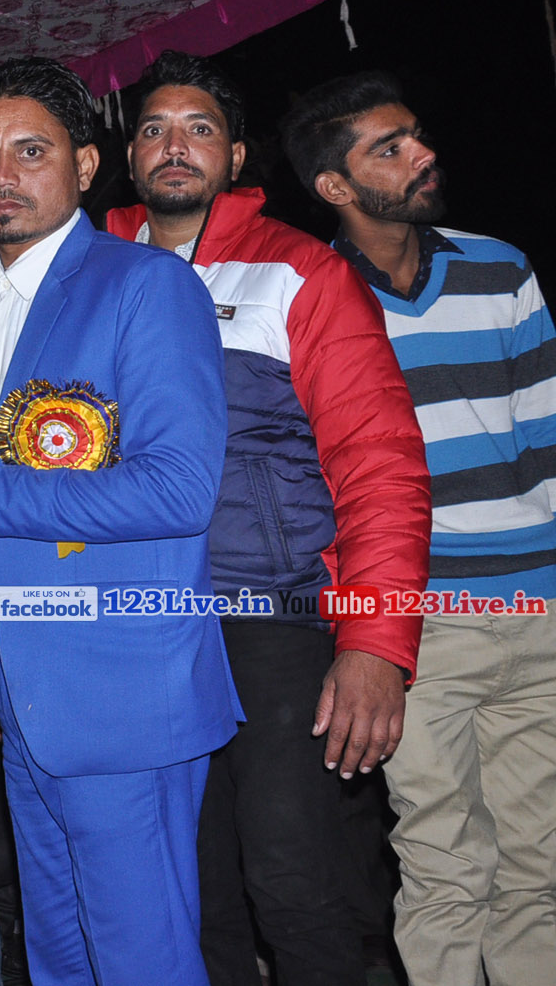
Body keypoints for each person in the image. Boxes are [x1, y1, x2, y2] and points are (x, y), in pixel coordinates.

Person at [0, 56, 240, 986]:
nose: (2, 174)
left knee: (142, 962)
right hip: (23, 693)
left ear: (87, 164)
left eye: (31, 151)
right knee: (60, 959)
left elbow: (179, 489)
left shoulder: (146, 284)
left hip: (123, 694)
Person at [101, 51, 429, 986]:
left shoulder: (301, 271)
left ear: (237, 155)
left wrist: (375, 644)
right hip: (135, 628)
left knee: (295, 885)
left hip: (271, 621)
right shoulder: (85, 276)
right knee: (190, 893)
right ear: (129, 156)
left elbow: (380, 465)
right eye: (155, 129)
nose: (175, 146)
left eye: (199, 128)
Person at [283, 71, 556, 986]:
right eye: (390, 148)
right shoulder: (312, 298)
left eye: (417, 136)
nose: (424, 154)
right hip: (416, 622)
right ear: (334, 184)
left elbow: (549, 438)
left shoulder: (500, 267)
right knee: (445, 867)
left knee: (540, 872)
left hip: (537, 608)